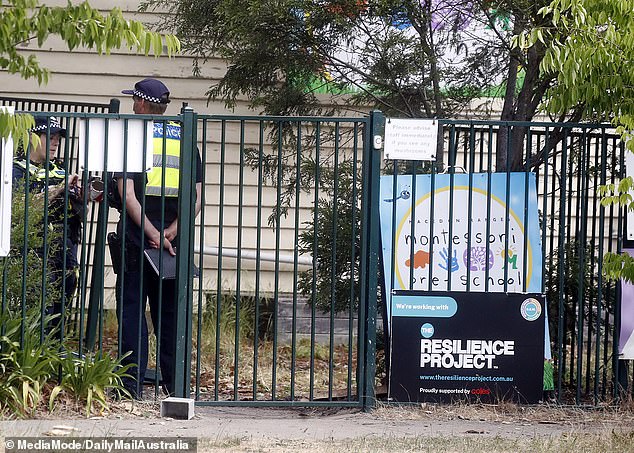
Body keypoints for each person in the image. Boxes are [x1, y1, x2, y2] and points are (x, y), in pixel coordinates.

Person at [114, 78, 202, 398]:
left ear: (141, 104)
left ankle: (130, 386)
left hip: (138, 239)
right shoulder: (185, 137)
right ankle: (173, 385)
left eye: (134, 102)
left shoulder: (133, 138)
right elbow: (196, 197)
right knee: (170, 314)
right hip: (172, 244)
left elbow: (127, 195)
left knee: (133, 312)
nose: (132, 107)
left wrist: (150, 233)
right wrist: (172, 232)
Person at [12, 116, 83, 330]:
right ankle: (36, 351)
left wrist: (83, 192)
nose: (56, 142)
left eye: (58, 137)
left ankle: (54, 349)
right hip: (34, 247)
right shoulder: (16, 170)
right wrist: (58, 189)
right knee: (40, 300)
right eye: (50, 136)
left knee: (63, 298)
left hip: (64, 246)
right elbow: (20, 205)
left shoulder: (58, 169)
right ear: (33, 138)